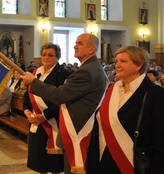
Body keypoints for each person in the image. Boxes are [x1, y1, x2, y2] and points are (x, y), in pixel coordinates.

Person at [21, 33, 108, 173]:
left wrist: (33, 82)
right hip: (74, 127)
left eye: (79, 43)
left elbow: (60, 95)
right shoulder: (90, 68)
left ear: (91, 49)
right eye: (75, 42)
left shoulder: (86, 71)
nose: (75, 46)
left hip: (77, 128)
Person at [86, 46, 164, 173]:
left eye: (123, 61)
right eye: (117, 61)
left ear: (138, 65)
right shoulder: (111, 90)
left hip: (134, 166)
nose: (117, 65)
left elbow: (162, 145)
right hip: (103, 162)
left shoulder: (158, 95)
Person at [23, 43, 70, 173]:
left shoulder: (63, 74)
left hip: (53, 121)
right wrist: (27, 111)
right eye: (44, 55)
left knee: (53, 162)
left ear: (58, 57)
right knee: (39, 161)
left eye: (50, 55)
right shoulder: (35, 72)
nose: (46, 58)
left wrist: (43, 117)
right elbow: (27, 94)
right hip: (36, 122)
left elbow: (60, 100)